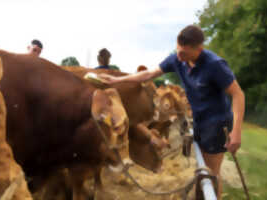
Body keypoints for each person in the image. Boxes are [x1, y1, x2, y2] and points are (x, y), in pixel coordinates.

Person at [99, 25, 245, 200]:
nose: (179, 56)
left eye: (184, 52)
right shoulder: (177, 59)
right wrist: (117, 79)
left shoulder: (215, 65)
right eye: (177, 50)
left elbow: (238, 94)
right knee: (202, 167)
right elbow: (149, 73)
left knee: (211, 173)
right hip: (199, 119)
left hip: (217, 123)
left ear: (199, 49)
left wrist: (236, 132)